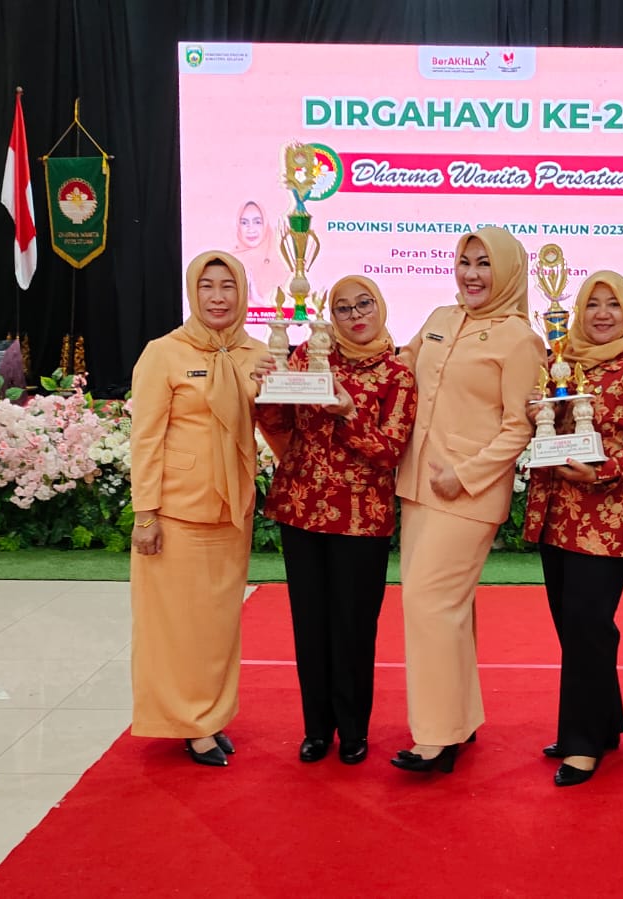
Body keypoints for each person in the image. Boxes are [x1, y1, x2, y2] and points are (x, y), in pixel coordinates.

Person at [391, 227, 546, 774]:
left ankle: (436, 737)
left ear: (506, 271)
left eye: (484, 264)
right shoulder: (439, 318)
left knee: (428, 605)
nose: (472, 274)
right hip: (419, 487)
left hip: (468, 494)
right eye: (465, 261)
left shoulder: (519, 339)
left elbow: (518, 426)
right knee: (446, 609)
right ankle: (458, 718)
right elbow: (397, 368)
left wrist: (466, 474)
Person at [522, 272, 623, 787]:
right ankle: (604, 723)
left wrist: (604, 469)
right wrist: (536, 414)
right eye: (593, 304)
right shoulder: (562, 361)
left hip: (609, 518)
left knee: (587, 624)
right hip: (558, 513)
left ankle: (582, 743)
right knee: (575, 626)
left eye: (613, 304)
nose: (603, 314)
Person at [256, 276, 416, 766]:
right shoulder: (307, 356)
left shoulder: (397, 374)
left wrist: (347, 412)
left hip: (360, 518)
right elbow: (279, 425)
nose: (355, 315)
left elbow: (389, 452)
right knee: (310, 625)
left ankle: (353, 729)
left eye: (364, 304)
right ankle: (316, 729)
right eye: (343, 308)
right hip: (300, 508)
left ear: (380, 306)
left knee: (353, 627)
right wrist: (267, 387)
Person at [129, 251, 274, 767]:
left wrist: (280, 386)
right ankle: (189, 724)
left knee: (218, 625)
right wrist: (146, 514)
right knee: (177, 625)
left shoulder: (257, 353)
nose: (218, 297)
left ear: (242, 293)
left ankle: (211, 716)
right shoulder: (164, 353)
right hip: (176, 512)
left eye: (227, 286)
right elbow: (146, 439)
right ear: (193, 291)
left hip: (232, 509)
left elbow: (274, 423)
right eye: (208, 286)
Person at [231, 200, 286, 308]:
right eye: (244, 223)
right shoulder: (230, 261)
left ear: (265, 224)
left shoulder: (282, 259)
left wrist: (261, 303)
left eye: (257, 222)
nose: (251, 229)